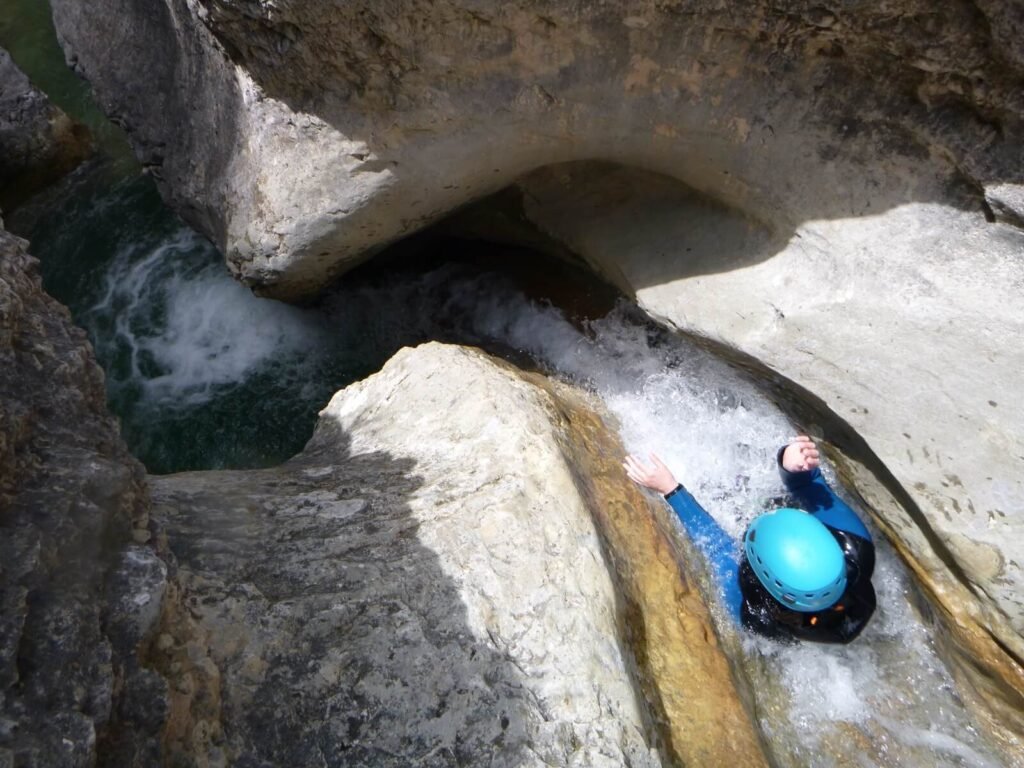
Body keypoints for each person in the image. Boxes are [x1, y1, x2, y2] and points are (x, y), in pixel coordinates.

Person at [624, 436, 876, 644]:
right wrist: (792, 464)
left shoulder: (750, 611)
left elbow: (715, 543)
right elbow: (809, 487)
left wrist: (670, 488)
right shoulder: (855, 544)